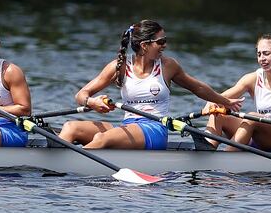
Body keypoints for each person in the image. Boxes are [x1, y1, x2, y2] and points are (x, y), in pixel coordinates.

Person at [59, 20, 244, 150]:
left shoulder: (167, 66)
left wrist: (224, 101)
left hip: (154, 129)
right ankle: (51, 167)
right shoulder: (120, 66)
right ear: (144, 45)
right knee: (70, 127)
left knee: (101, 138)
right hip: (128, 125)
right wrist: (91, 102)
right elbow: (81, 94)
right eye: (160, 42)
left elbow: (198, 88)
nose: (164, 45)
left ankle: (67, 169)